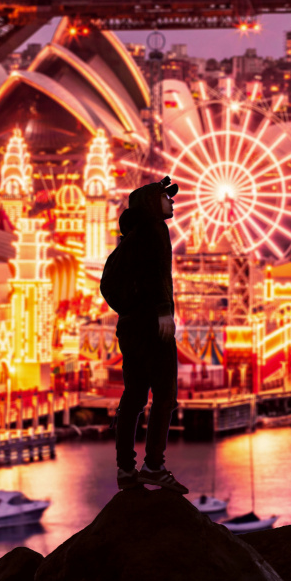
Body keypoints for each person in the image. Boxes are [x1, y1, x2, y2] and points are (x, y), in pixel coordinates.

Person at [109, 177, 188, 495]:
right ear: (151, 204)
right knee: (165, 396)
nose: (172, 203)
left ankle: (125, 469)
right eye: (165, 198)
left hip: (128, 328)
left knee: (133, 398)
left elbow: (107, 285)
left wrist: (129, 310)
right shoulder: (156, 230)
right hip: (153, 327)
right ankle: (154, 465)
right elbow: (158, 274)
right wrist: (162, 311)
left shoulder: (127, 240)